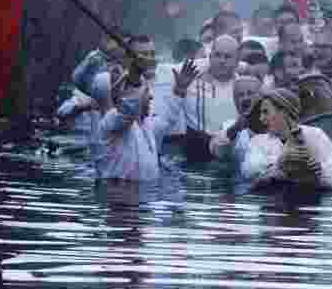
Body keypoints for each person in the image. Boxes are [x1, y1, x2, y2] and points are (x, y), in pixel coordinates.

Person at [60, 37, 195, 181]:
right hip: (119, 197)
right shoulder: (111, 123)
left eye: (152, 54)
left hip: (142, 197)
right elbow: (129, 106)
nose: (150, 98)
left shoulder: (145, 126)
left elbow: (166, 119)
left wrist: (180, 90)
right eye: (146, 93)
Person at [246, 88, 332, 190]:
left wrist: (319, 171)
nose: (261, 118)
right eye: (261, 113)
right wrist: (279, 165)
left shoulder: (316, 134)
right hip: (273, 201)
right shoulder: (257, 141)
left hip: (312, 201)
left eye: (266, 112)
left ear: (284, 112)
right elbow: (250, 172)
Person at [172, 34, 241, 163]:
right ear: (209, 57)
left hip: (230, 153)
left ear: (237, 61)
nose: (222, 60)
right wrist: (180, 89)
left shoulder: (243, 88)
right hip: (194, 150)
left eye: (227, 57)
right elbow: (169, 116)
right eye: (217, 55)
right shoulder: (189, 78)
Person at [207, 74, 263, 167]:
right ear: (235, 101)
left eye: (250, 93)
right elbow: (217, 152)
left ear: (261, 98)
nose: (246, 98)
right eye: (241, 95)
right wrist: (235, 129)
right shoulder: (228, 126)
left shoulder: (273, 125)